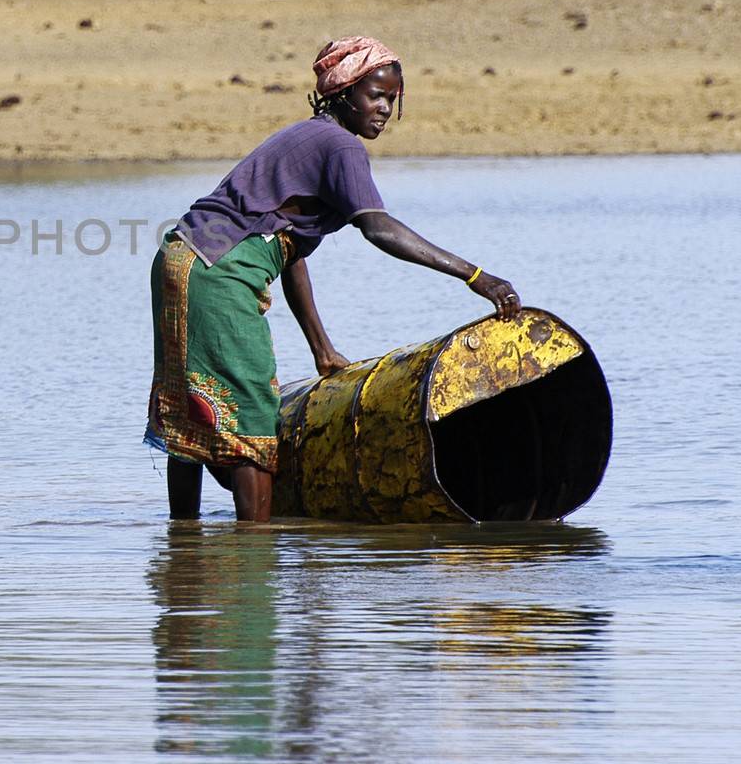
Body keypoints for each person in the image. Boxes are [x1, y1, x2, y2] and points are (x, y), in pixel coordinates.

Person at [145, 36, 520, 522]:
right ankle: (256, 558)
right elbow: (378, 228)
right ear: (343, 95)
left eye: (393, 99)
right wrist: (474, 275)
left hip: (183, 258)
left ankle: (185, 551)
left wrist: (321, 348)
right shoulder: (340, 146)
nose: (385, 108)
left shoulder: (308, 137)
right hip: (222, 271)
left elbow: (288, 252)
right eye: (376, 96)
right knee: (253, 415)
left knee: (194, 406)